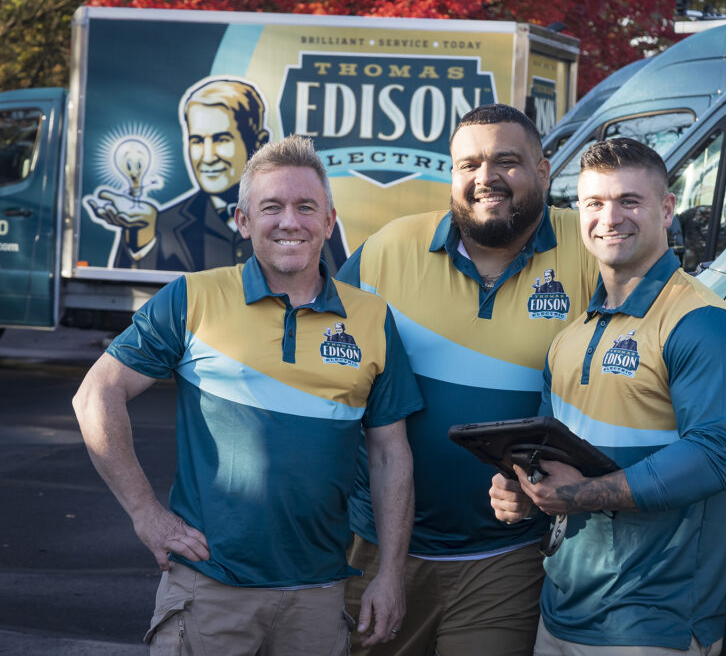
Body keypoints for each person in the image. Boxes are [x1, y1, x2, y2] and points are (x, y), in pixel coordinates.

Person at [73, 135, 422, 654]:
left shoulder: (372, 318)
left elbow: (391, 454)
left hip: (321, 594)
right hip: (209, 589)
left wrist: (390, 573)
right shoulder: (193, 298)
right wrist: (146, 513)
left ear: (329, 222)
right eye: (271, 207)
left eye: (306, 207)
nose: (289, 221)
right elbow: (95, 395)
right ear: (242, 221)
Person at [336, 103, 599, 656]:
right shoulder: (387, 250)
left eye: (507, 161)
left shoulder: (592, 250)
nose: (487, 179)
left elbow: (642, 361)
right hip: (377, 551)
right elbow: (321, 367)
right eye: (469, 164)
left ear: (545, 171)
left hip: (505, 558)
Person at [490, 138, 726, 655]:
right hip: (561, 614)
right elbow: (547, 455)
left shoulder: (706, 325)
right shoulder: (571, 335)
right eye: (594, 203)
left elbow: (717, 455)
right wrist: (524, 491)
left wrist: (580, 495)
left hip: (654, 624)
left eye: (629, 201)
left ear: (666, 209)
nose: (609, 218)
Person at [87, 78, 347, 272]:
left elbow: (339, 298)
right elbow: (143, 315)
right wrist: (142, 238)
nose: (208, 156)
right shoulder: (160, 224)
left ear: (258, 141)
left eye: (222, 139)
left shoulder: (308, 223)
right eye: (198, 141)